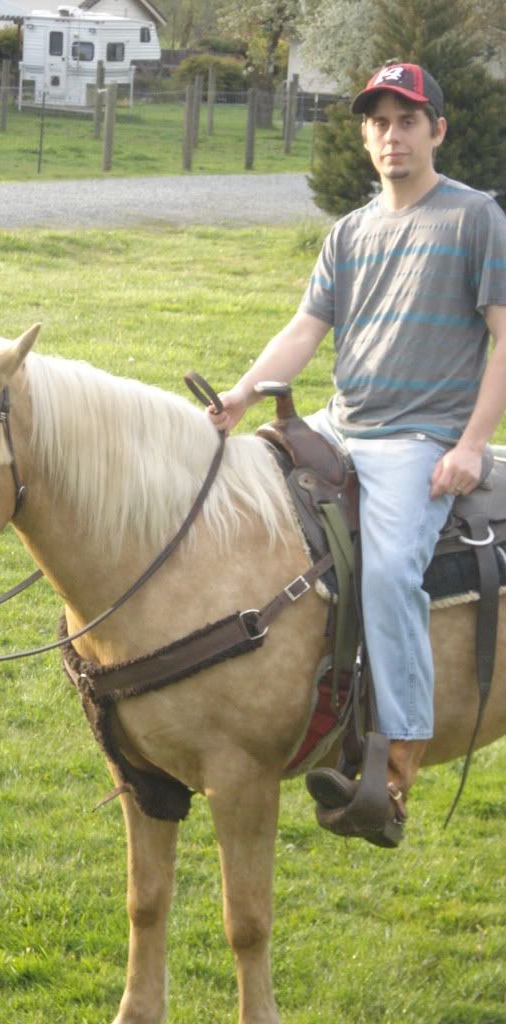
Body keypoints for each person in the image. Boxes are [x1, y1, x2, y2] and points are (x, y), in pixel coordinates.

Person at [209, 62, 506, 846]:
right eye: (377, 122)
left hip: (417, 440)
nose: (390, 136)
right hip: (340, 423)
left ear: (436, 130)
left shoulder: (475, 218)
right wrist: (244, 394)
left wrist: (470, 447)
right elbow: (305, 331)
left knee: (388, 569)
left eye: (406, 120)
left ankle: (396, 767)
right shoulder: (350, 231)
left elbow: (505, 338)